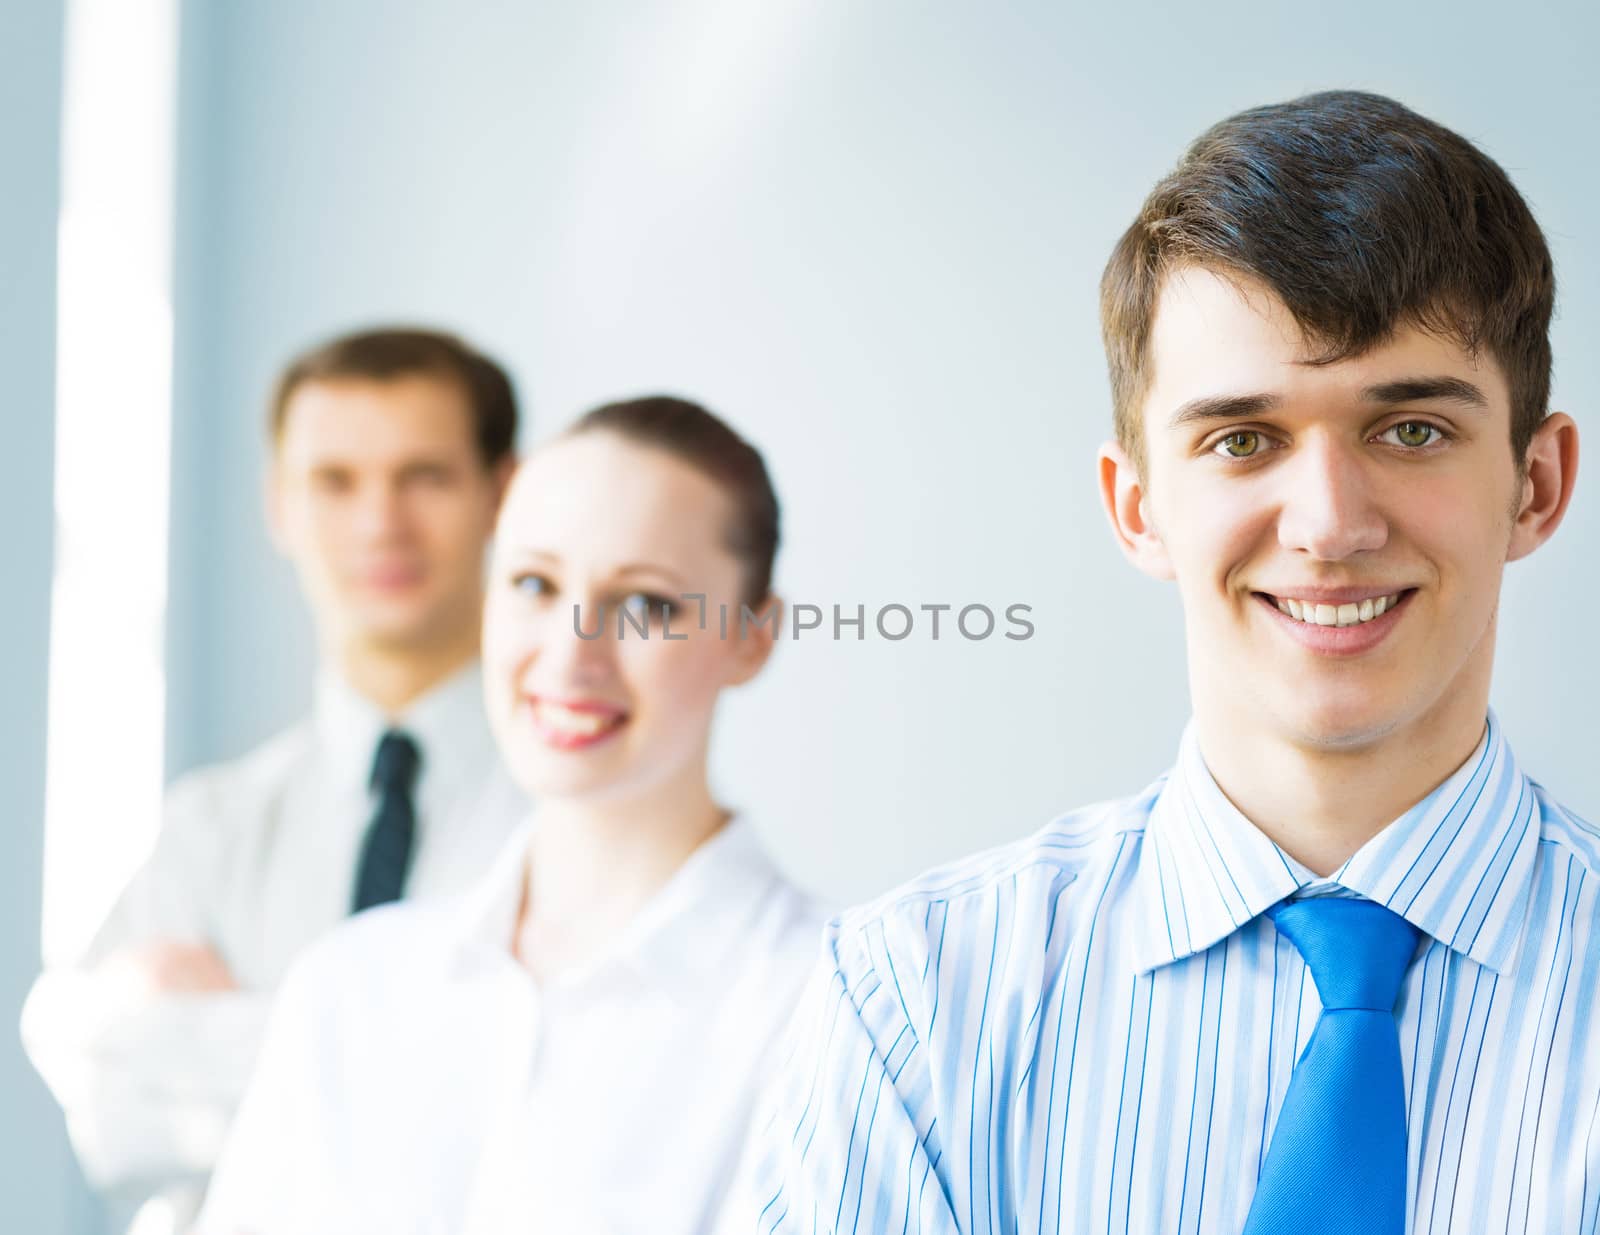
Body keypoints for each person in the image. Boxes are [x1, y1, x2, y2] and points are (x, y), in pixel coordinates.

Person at [748, 90, 1596, 1234]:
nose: (1328, 524)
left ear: (1535, 484)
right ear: (1138, 506)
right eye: (1242, 440)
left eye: (1410, 430)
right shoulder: (915, 1007)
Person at [196, 395, 827, 1235]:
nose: (571, 653)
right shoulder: (350, 988)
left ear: (752, 635)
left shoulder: (825, 1013)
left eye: (645, 605)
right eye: (535, 583)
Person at [22, 327, 528, 1230]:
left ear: (504, 493)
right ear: (279, 507)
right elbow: (113, 1109)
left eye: (425, 476)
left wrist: (225, 1040)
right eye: (334, 481)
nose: (380, 522)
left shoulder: (567, 821)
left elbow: (541, 1116)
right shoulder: (207, 828)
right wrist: (421, 1072)